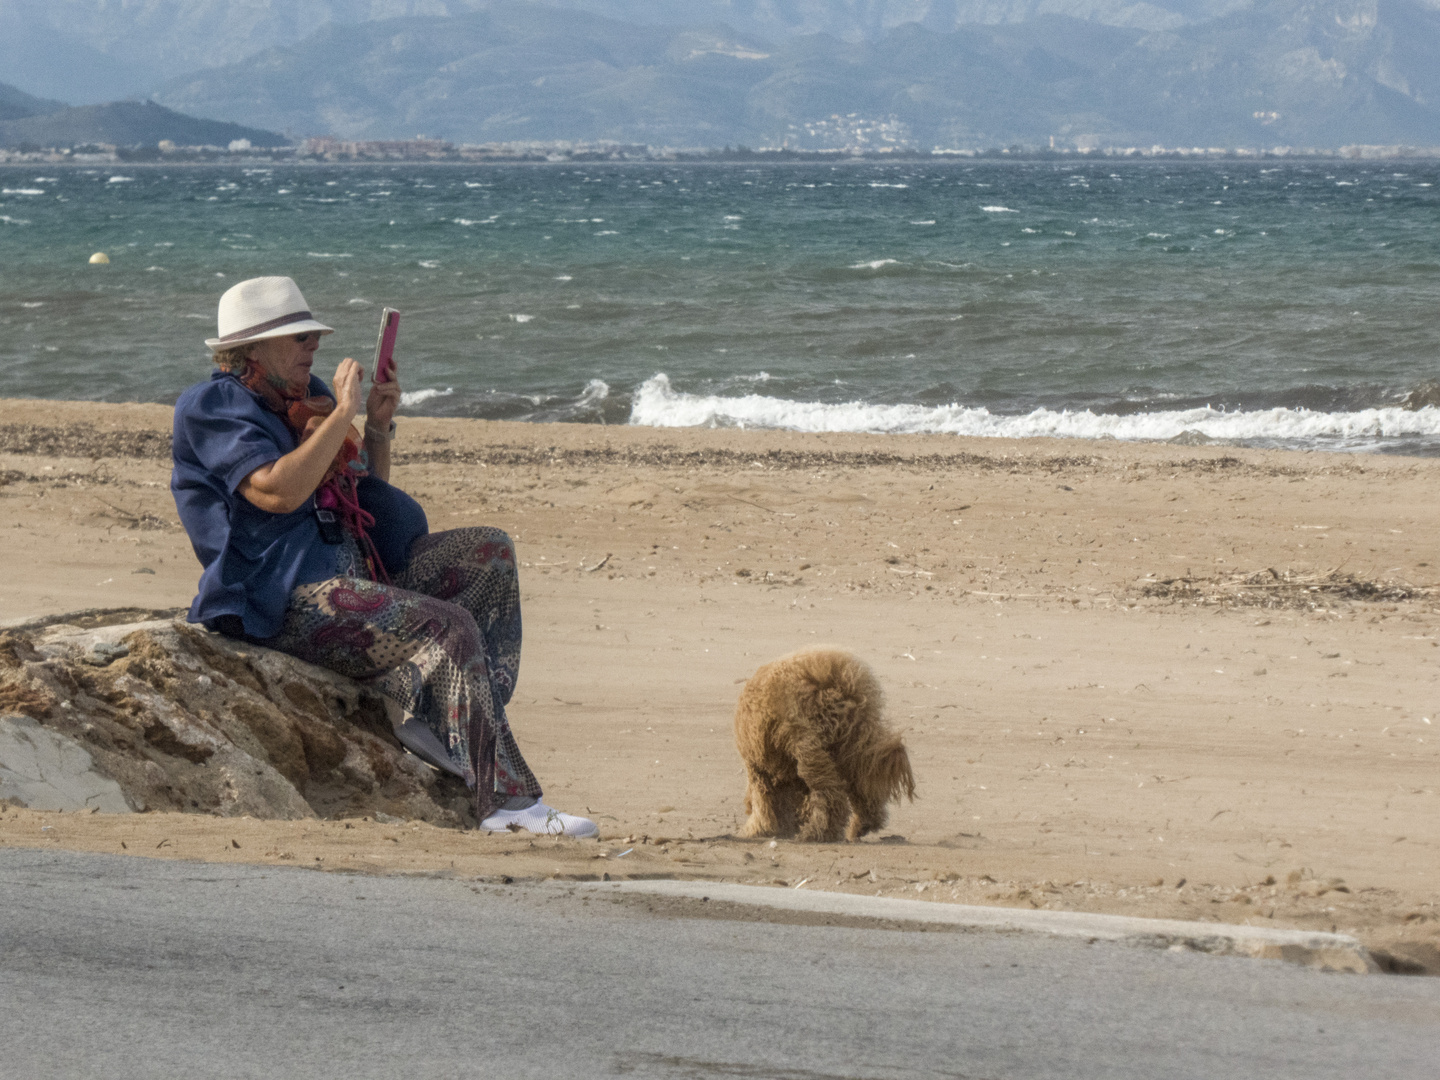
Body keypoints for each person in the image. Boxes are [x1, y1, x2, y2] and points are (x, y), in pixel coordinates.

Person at [170, 276, 596, 837]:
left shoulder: (308, 401)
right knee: (446, 626)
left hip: (348, 571)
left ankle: (452, 727)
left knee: (488, 552)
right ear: (252, 349)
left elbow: (363, 500)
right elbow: (276, 491)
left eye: (311, 336)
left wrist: (375, 426)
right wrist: (344, 411)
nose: (313, 347)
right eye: (298, 338)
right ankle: (506, 804)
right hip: (279, 596)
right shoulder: (213, 405)